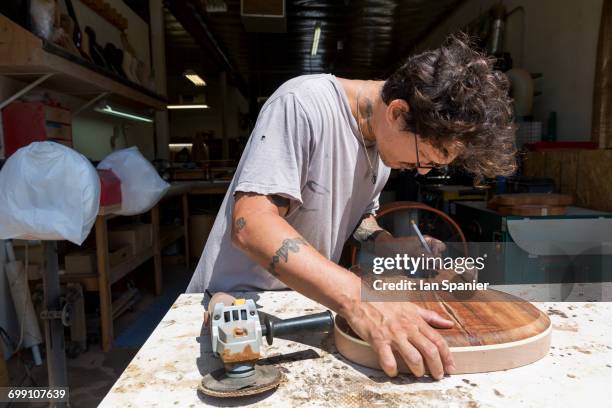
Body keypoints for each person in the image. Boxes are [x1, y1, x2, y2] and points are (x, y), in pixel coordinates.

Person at [187, 34, 516, 380]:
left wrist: (392, 246)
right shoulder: (302, 106)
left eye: (434, 165)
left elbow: (358, 221)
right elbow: (250, 224)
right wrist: (360, 302)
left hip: (307, 305)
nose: (421, 171)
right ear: (398, 111)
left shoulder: (384, 149)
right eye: (425, 158)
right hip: (232, 310)